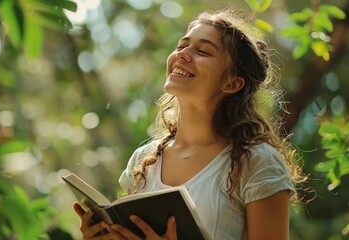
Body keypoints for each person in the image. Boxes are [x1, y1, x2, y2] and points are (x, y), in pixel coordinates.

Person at [73, 8, 305, 240]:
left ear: (232, 83)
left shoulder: (257, 163)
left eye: (203, 51)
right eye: (181, 46)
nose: (183, 54)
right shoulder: (144, 160)